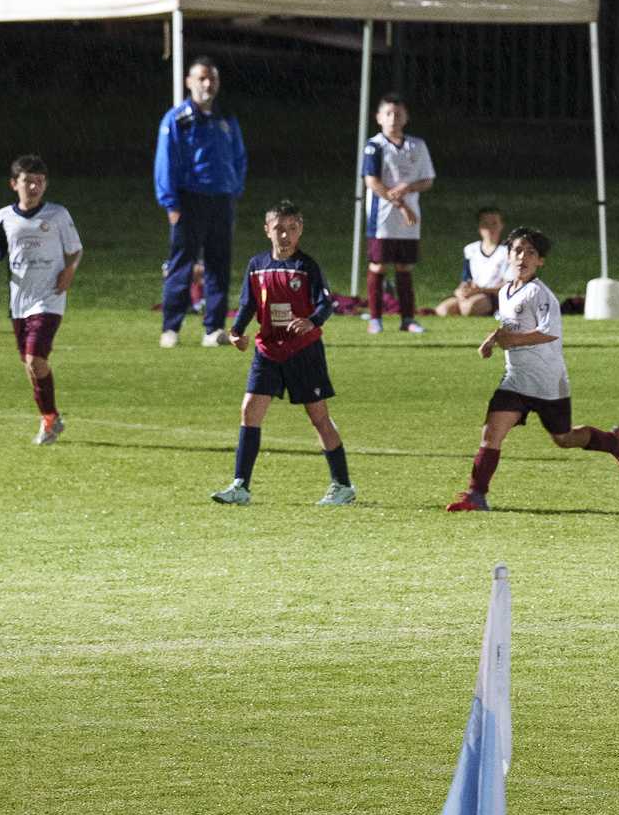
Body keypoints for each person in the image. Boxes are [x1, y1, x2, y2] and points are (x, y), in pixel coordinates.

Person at [445, 229, 619, 511]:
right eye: (518, 251)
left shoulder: (540, 294)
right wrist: (493, 338)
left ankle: (614, 443)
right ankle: (476, 495)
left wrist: (512, 340)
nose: (523, 257)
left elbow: (550, 332)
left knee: (564, 438)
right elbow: (510, 325)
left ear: (540, 261)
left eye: (531, 252)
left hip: (548, 382)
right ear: (508, 256)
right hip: (515, 380)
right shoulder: (505, 291)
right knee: (491, 432)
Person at [210, 200, 356, 506]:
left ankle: (343, 485)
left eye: (292, 228)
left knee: (318, 417)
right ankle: (240, 486)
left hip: (303, 351)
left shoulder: (306, 267)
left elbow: (326, 304)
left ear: (300, 230)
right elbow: (249, 303)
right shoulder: (257, 265)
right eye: (279, 228)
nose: (286, 235)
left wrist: (311, 321)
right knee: (250, 410)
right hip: (268, 350)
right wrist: (236, 332)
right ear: (267, 230)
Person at [0, 154, 83, 445]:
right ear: (14, 184)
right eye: (28, 181)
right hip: (19, 302)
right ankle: (51, 416)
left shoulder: (58, 215)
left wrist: (69, 272)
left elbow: (76, 250)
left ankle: (48, 419)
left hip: (49, 299)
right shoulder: (3, 217)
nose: (34, 187)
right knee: (30, 364)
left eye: (40, 181)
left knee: (35, 358)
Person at [155, 56, 249, 348]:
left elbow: (239, 156)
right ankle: (171, 328)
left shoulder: (226, 118)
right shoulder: (178, 119)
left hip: (221, 200)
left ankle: (214, 328)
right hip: (189, 199)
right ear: (189, 82)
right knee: (182, 264)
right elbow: (165, 161)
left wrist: (234, 188)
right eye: (202, 78)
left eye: (213, 79)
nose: (208, 84)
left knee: (219, 264)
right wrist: (171, 203)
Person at [360, 91, 435, 334]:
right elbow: (372, 181)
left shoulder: (417, 145)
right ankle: (375, 319)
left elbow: (427, 180)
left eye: (398, 114)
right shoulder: (374, 146)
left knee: (405, 267)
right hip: (382, 217)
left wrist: (408, 188)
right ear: (379, 117)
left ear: (406, 117)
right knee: (378, 265)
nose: (393, 118)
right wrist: (402, 205)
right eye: (389, 114)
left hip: (409, 220)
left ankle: (408, 319)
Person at [432, 206, 509, 318]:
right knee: (443, 310)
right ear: (479, 227)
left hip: (494, 296)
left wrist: (480, 290)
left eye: (494, 223)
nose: (490, 228)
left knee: (468, 308)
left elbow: (509, 285)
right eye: (485, 224)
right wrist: (461, 290)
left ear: (501, 225)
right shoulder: (471, 249)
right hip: (473, 292)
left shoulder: (508, 251)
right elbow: (466, 279)